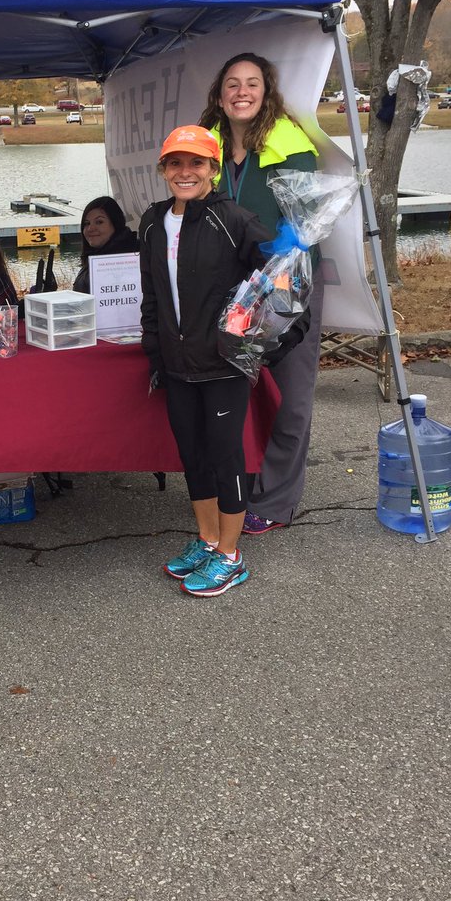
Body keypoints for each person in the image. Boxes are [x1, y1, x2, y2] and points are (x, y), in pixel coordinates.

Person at [139, 125, 270, 598]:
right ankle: (209, 540)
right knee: (192, 455)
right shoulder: (152, 222)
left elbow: (279, 280)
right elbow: (151, 295)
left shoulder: (233, 218)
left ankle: (232, 556)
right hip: (177, 365)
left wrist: (259, 343)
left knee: (224, 455)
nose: (185, 172)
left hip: (221, 365)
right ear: (164, 170)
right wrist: (155, 352)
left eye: (196, 163)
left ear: (213, 169)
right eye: (176, 163)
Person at [198, 51, 321, 535]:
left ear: (266, 92)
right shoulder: (205, 144)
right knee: (233, 395)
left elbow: (309, 216)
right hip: (227, 290)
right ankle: (238, 489)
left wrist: (285, 257)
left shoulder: (291, 143)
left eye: (252, 83)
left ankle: (275, 500)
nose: (242, 92)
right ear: (220, 94)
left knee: (290, 398)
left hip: (286, 286)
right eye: (232, 83)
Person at [72, 196, 139, 293]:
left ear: (115, 223)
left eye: (99, 222)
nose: (91, 228)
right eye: (87, 223)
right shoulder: (94, 256)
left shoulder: (135, 257)